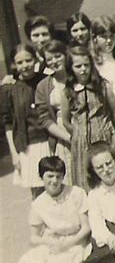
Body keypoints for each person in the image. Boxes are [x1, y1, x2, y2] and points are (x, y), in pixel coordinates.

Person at [0, 156, 91, 263]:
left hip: (76, 240)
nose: (54, 181)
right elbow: (34, 238)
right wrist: (51, 243)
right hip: (53, 240)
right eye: (50, 176)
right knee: (33, 258)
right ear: (41, 177)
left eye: (58, 176)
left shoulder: (76, 193)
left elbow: (86, 228)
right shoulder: (38, 204)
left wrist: (66, 244)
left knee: (68, 261)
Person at [60, 44, 115, 192]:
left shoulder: (103, 86)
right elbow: (65, 120)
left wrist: (105, 128)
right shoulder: (67, 92)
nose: (83, 69)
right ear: (71, 68)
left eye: (86, 65)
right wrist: (78, 133)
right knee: (86, 181)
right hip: (81, 142)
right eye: (78, 66)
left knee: (109, 174)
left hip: (104, 136)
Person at [0, 44, 50, 198]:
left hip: (50, 142)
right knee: (38, 193)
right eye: (20, 62)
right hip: (27, 146)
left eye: (28, 60)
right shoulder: (9, 88)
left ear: (35, 59)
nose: (25, 65)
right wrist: (14, 154)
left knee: (58, 186)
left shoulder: (46, 81)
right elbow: (8, 122)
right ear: (13, 65)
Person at [35, 40, 72, 185]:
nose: (54, 61)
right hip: (62, 135)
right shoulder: (43, 86)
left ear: (65, 54)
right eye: (49, 59)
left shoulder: (79, 76)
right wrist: (69, 138)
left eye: (57, 56)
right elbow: (45, 119)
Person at [90, 15, 115, 88]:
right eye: (104, 37)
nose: (109, 41)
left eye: (111, 36)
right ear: (95, 38)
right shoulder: (92, 62)